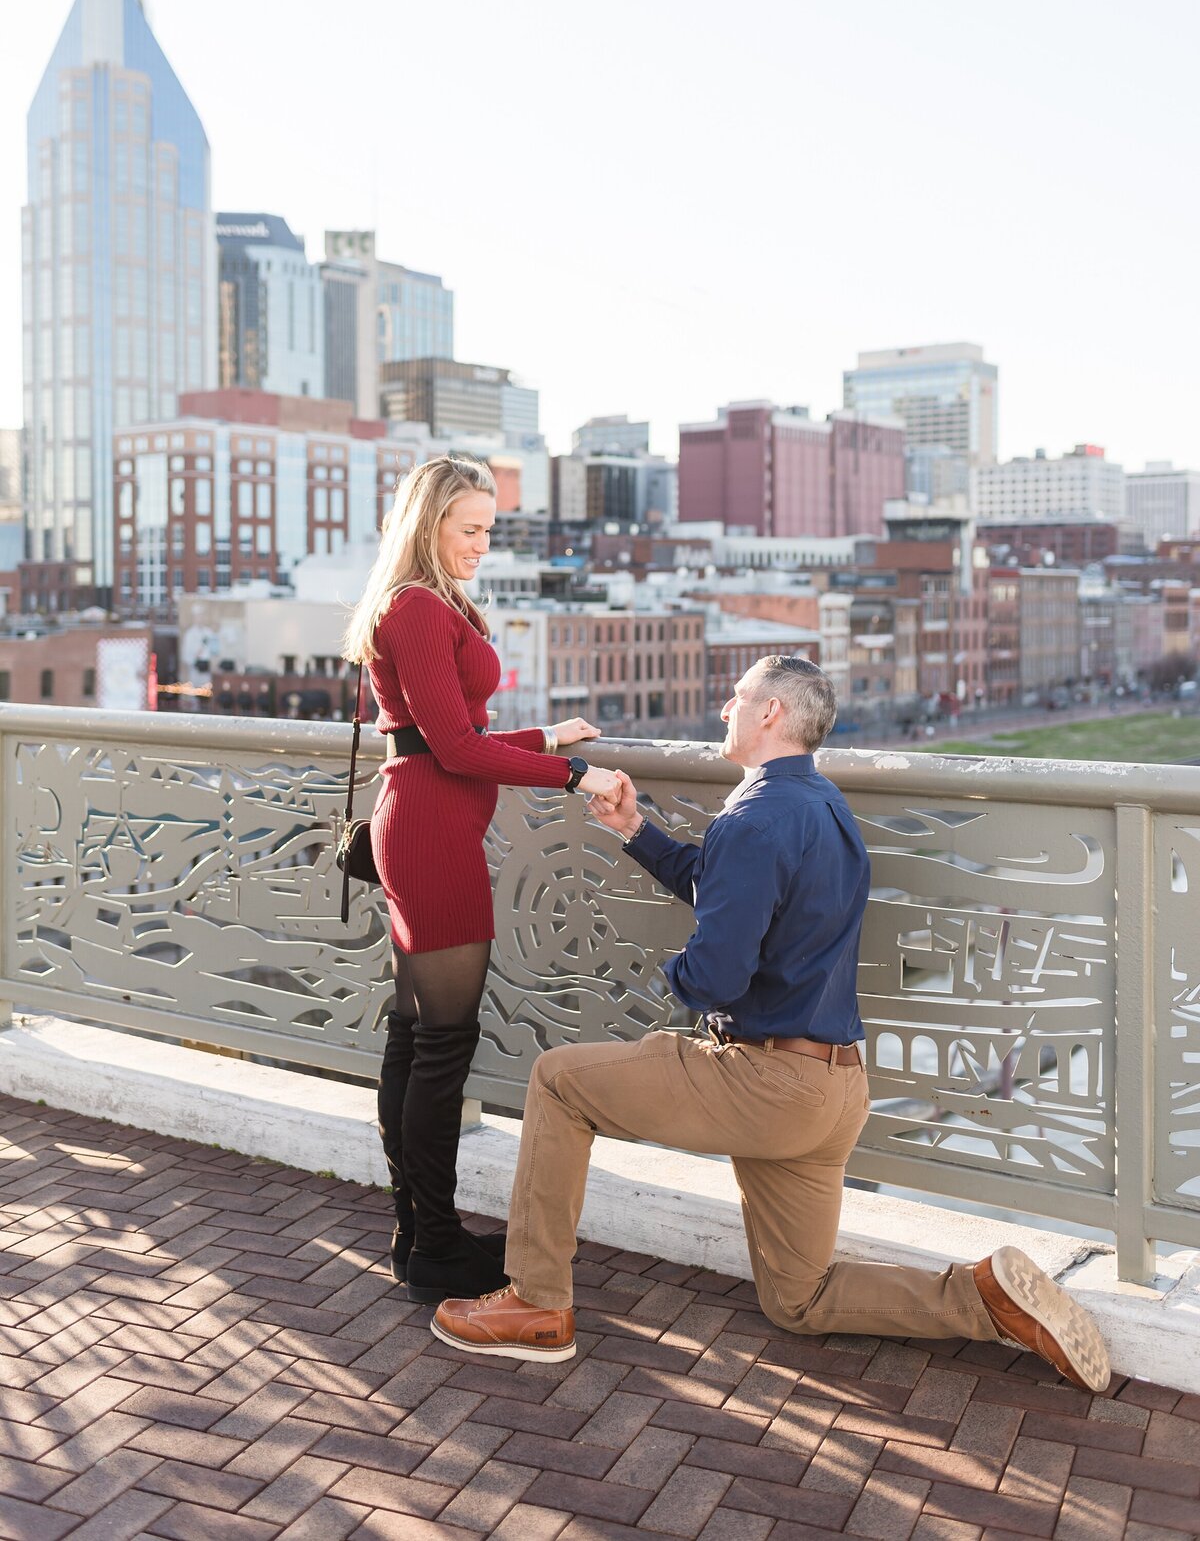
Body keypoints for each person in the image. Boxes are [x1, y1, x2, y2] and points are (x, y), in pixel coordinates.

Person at [431, 655, 1111, 1393]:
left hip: (766, 1086)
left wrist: (672, 976)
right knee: (800, 1298)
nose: (725, 706)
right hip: (834, 1089)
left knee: (559, 1082)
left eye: (739, 697)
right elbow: (737, 889)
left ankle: (535, 1304)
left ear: (770, 715)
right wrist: (636, 832)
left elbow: (716, 974)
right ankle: (985, 1299)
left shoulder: (752, 819)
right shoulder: (821, 806)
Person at [342, 456, 621, 1304]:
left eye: (489, 530)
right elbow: (455, 749)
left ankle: (417, 1233)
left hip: (430, 820)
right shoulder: (418, 607)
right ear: (428, 526)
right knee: (441, 1048)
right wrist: (576, 777)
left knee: (416, 1036)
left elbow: (445, 734)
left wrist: (544, 738)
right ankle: (433, 1241)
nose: (481, 544)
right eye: (468, 529)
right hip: (431, 833)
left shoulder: (425, 604)